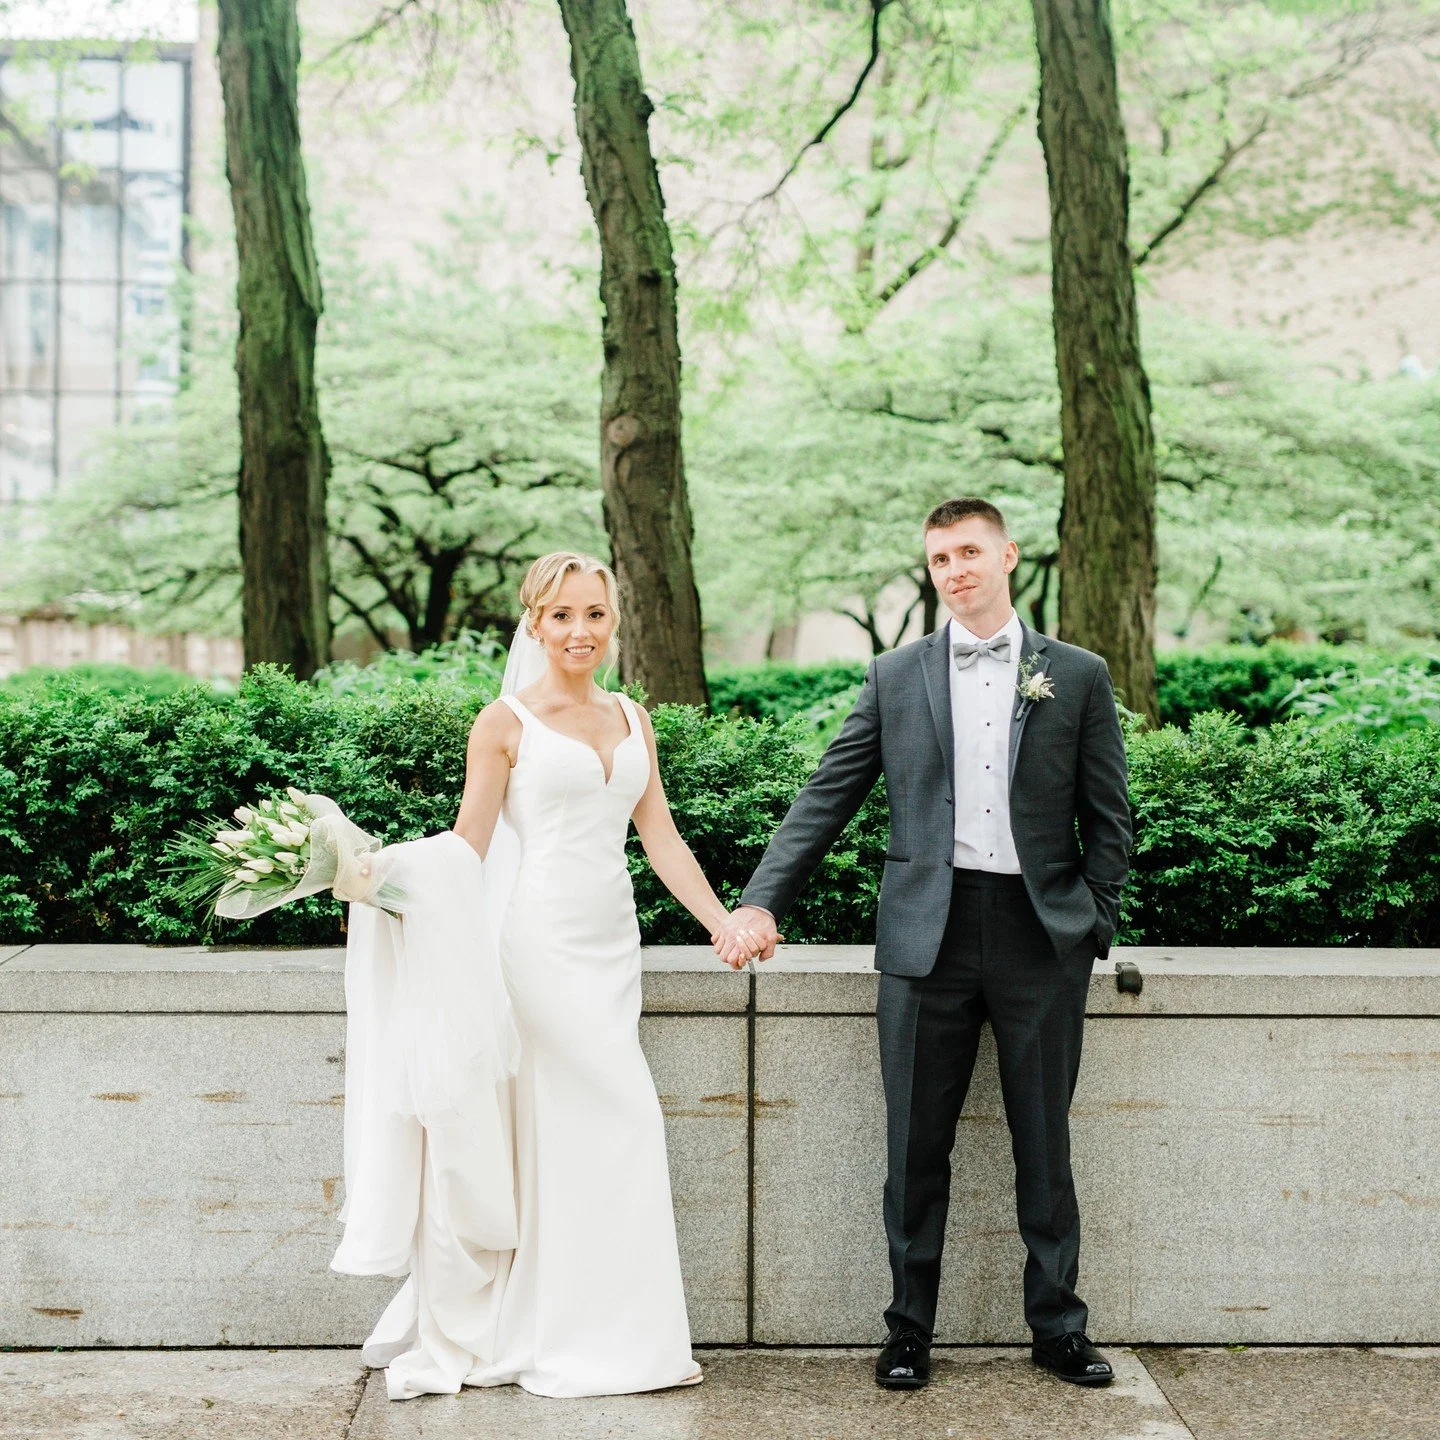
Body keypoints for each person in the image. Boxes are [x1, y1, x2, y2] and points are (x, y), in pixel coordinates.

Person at [714, 497, 1133, 1391]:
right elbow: (827, 795)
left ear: (1007, 555)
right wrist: (758, 902)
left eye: (969, 552)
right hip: (922, 937)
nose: (955, 570)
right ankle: (908, 1330)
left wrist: (1091, 921)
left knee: (1044, 1146)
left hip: (1039, 935)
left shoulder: (1078, 675)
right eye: (940, 558)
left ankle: (1059, 1329)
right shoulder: (895, 675)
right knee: (913, 1147)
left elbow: (1110, 814)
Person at [345, 551, 764, 1400]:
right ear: (534, 623)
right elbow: (467, 845)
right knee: (624, 1117)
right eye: (562, 615)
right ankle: (576, 1333)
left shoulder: (632, 716)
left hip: (610, 944)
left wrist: (722, 921)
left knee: (583, 1133)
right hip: (535, 945)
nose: (580, 631)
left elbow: (660, 836)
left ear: (614, 620)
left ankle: (605, 1329)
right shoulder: (503, 723)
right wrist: (371, 875)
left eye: (595, 614)